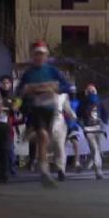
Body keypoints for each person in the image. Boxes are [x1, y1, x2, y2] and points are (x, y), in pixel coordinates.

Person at [15, 41, 71, 188]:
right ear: (32, 56)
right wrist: (24, 94)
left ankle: (30, 137)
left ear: (46, 55)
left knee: (45, 139)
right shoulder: (28, 73)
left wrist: (55, 88)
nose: (39, 57)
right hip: (35, 109)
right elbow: (18, 93)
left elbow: (68, 86)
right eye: (36, 54)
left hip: (50, 109)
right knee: (43, 136)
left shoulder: (52, 71)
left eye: (41, 54)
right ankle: (44, 171)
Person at [78, 84, 108, 179]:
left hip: (98, 128)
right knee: (95, 149)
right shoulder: (83, 102)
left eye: (93, 91)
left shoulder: (99, 101)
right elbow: (78, 115)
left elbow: (104, 113)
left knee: (97, 149)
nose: (92, 93)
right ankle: (98, 171)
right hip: (88, 129)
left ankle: (89, 162)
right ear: (86, 92)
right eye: (90, 91)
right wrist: (81, 125)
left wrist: (105, 124)